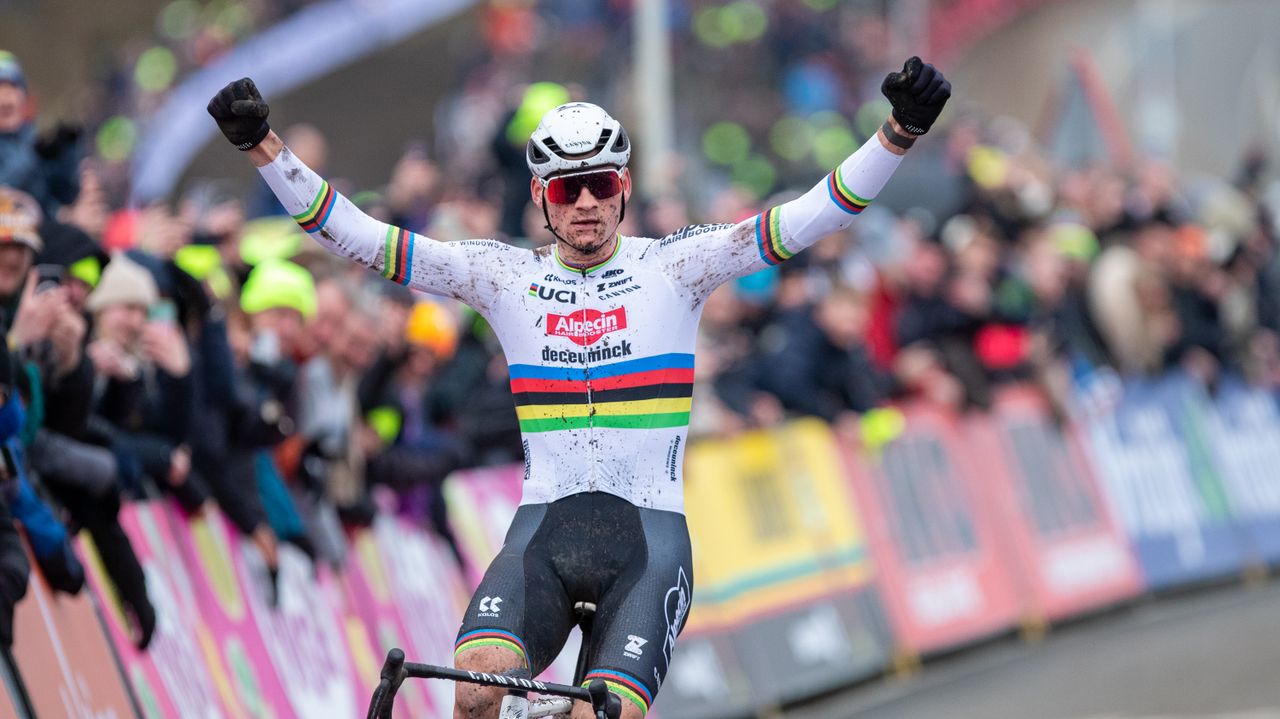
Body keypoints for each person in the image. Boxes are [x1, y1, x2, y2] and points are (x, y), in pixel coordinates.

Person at [208, 56, 950, 718]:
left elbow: (808, 217)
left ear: (623, 185)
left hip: (649, 545)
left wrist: (897, 133)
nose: (585, 203)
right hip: (544, 536)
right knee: (473, 691)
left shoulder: (677, 266)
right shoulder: (504, 276)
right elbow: (362, 237)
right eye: (568, 190)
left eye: (600, 184)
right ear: (541, 196)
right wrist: (266, 151)